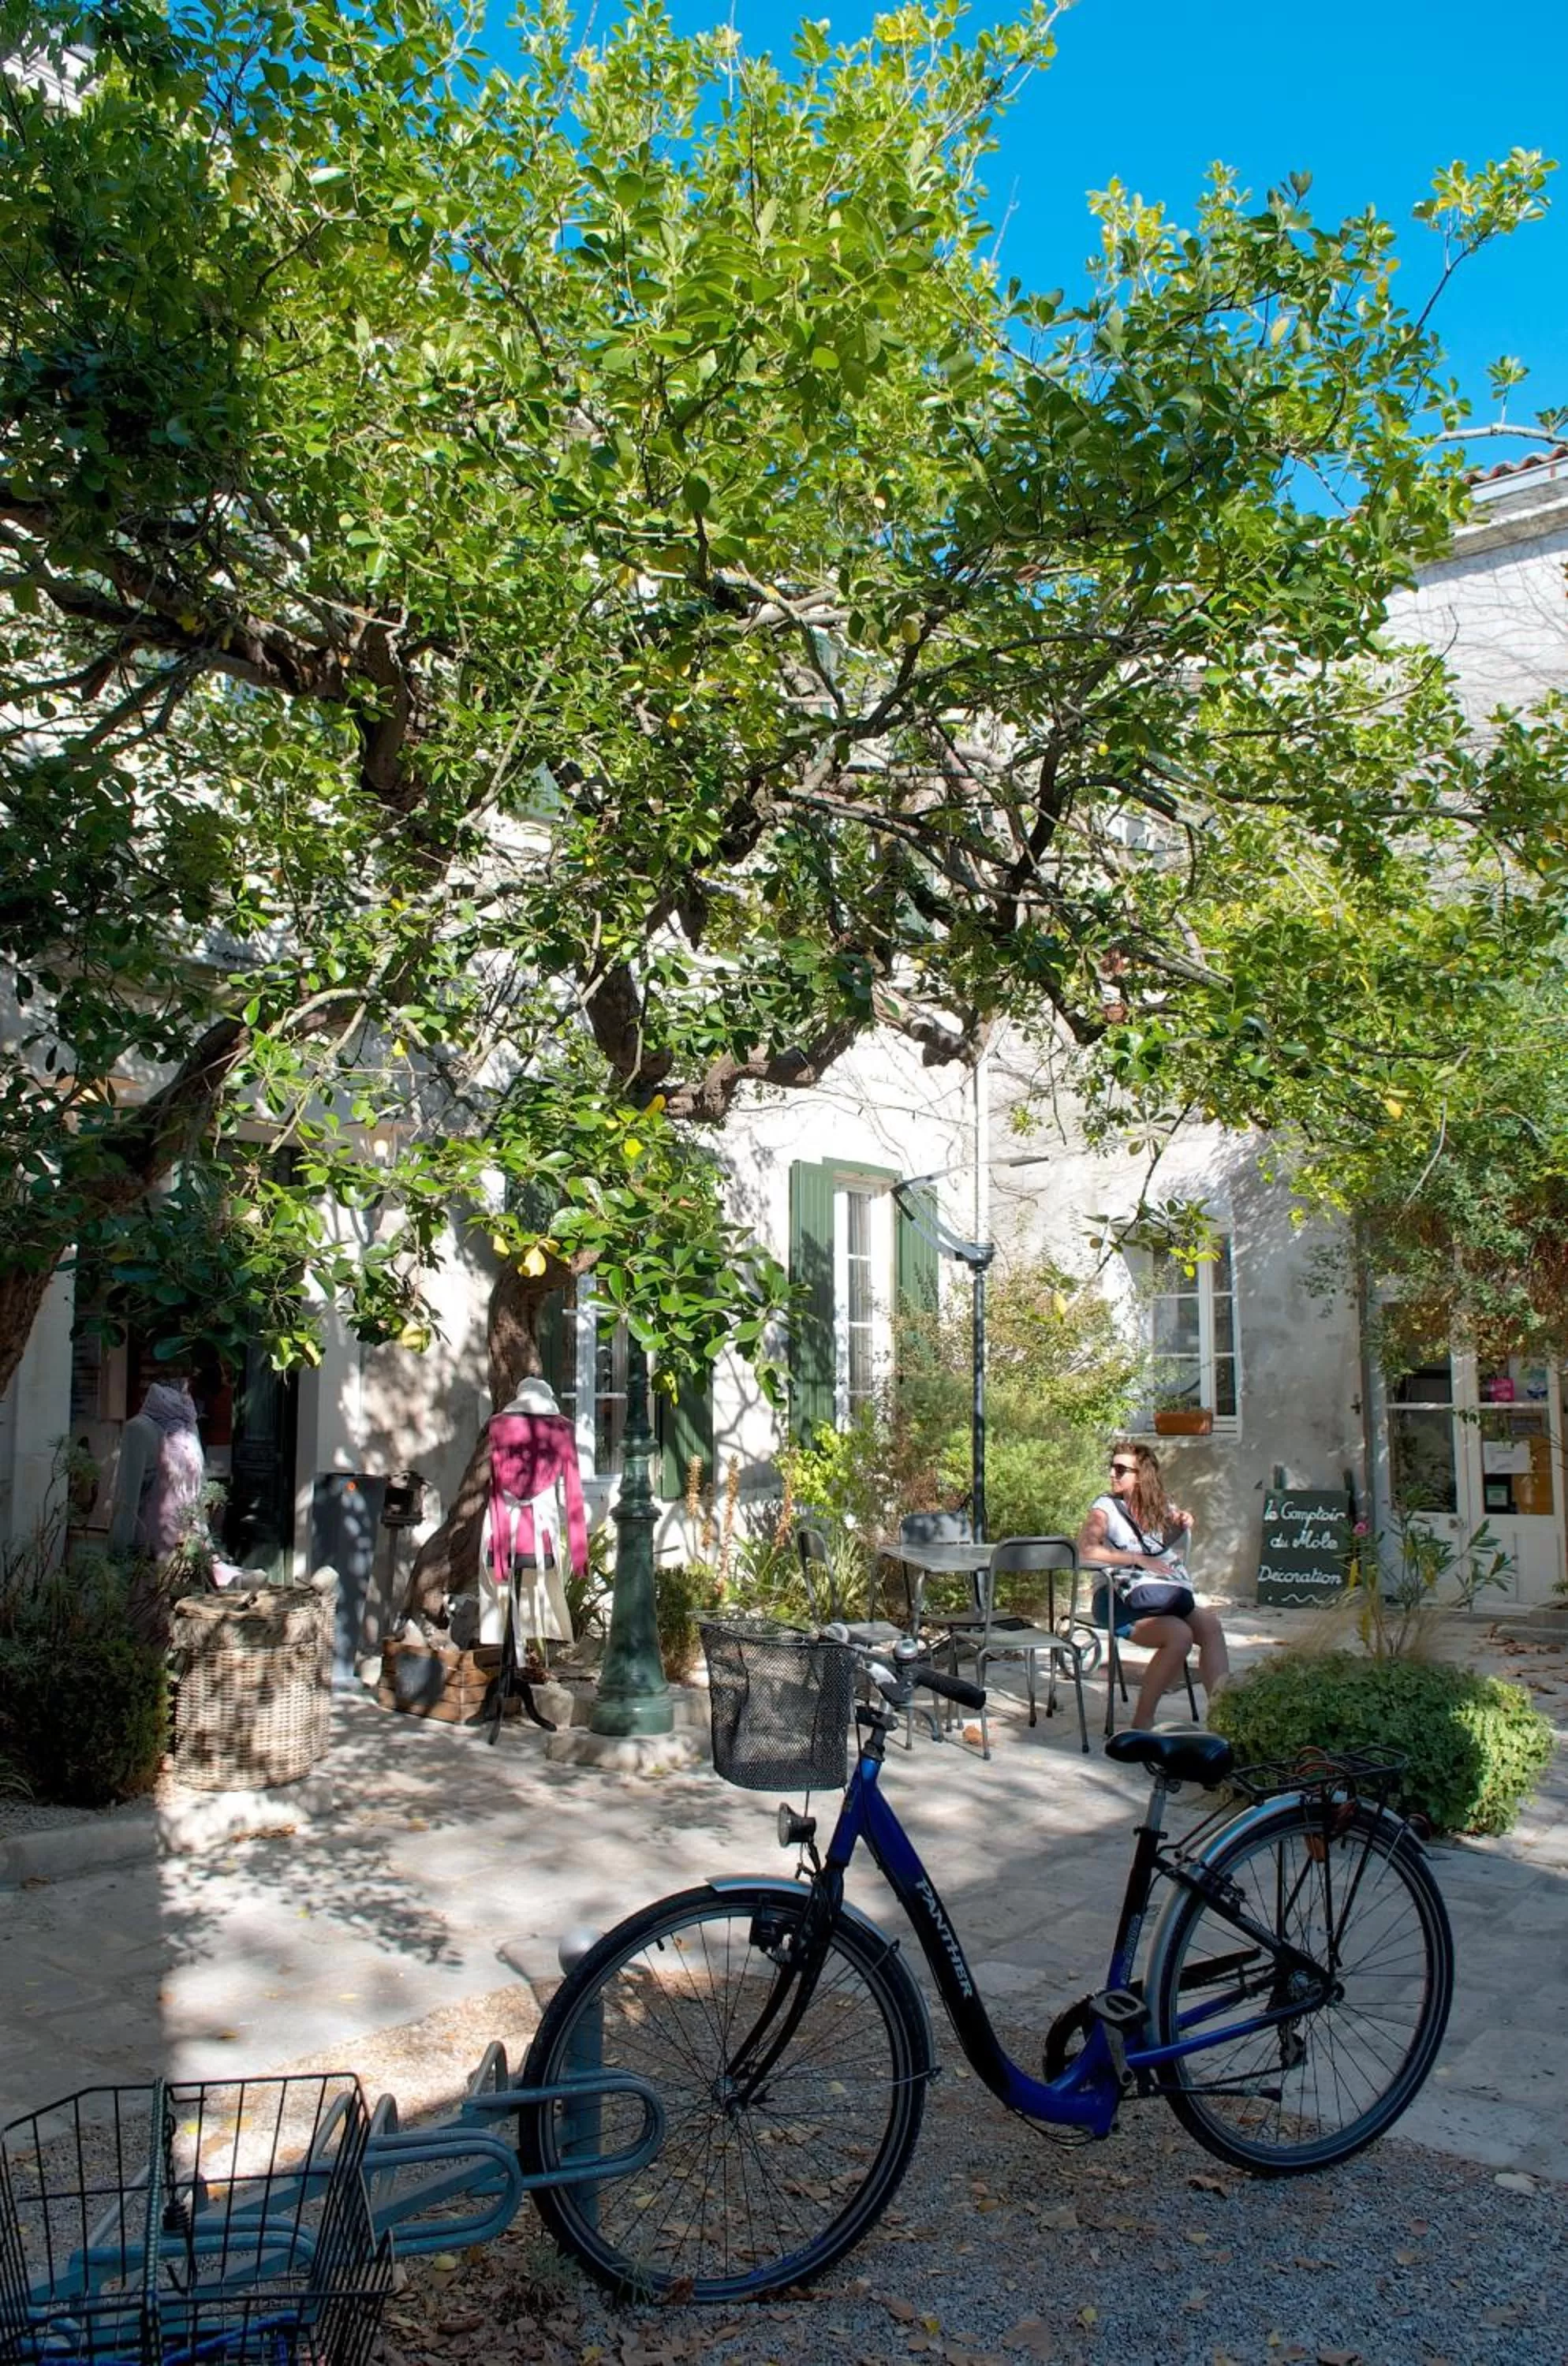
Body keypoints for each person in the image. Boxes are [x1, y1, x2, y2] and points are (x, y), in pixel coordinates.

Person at [1077, 1439, 1230, 1727]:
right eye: (1112, 1467)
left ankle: (1224, 1715)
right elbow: (1085, 1551)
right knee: (1180, 1635)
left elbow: (1170, 1534)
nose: (1112, 1474)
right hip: (1116, 1598)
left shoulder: (1160, 1503)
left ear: (1142, 1475)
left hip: (1159, 1593)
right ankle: (1143, 1721)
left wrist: (1184, 1520)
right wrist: (1135, 1559)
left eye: (1121, 1469)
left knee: (1210, 1625)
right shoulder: (1104, 1507)